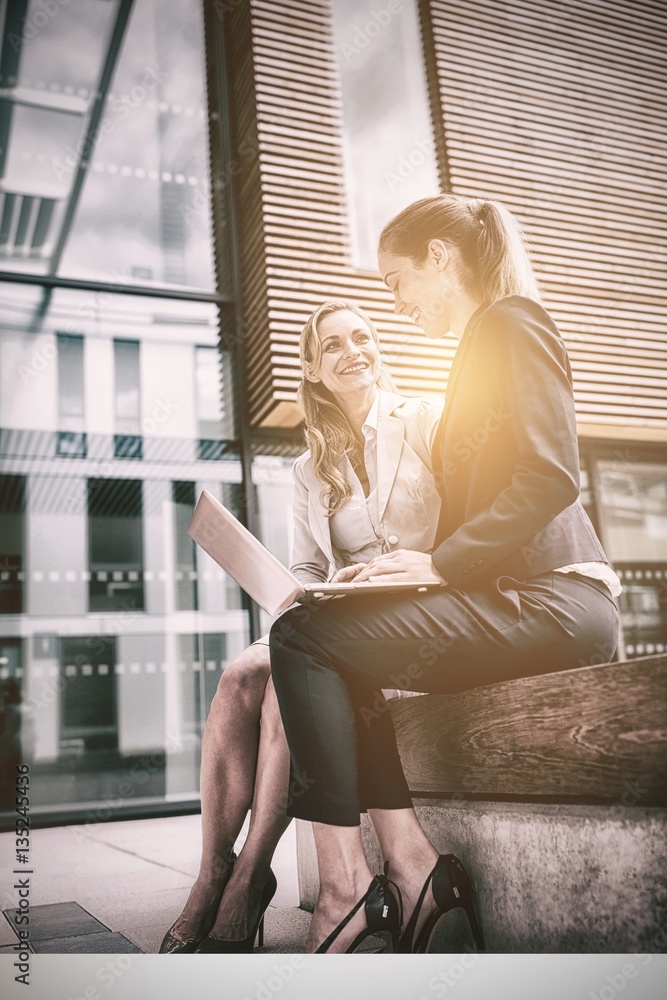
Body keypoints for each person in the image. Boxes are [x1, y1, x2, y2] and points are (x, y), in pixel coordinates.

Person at [269, 194, 622, 954]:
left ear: (439, 259)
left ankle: (342, 891)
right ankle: (410, 867)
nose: (397, 304)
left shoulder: (509, 321)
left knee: (299, 638)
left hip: (561, 599)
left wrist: (438, 561)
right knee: (329, 643)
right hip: (518, 600)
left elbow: (551, 475)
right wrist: (400, 578)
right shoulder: (478, 343)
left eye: (397, 283)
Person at [159, 299, 443, 953]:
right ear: (312, 370)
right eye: (334, 346)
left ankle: (247, 877)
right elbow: (308, 566)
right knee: (238, 677)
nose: (353, 352)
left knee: (287, 679)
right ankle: (213, 873)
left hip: (412, 616)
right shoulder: (309, 467)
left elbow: (454, 535)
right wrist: (302, 588)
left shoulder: (424, 419)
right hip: (337, 616)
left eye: (362, 338)